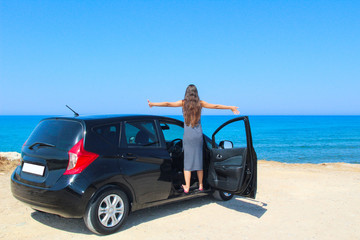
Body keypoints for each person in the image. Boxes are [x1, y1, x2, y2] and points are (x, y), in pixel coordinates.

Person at [148, 84, 239, 193]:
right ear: (196, 93)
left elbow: (168, 104)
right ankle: (200, 185)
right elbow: (216, 106)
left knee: (188, 162)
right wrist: (230, 108)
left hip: (188, 136)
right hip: (198, 135)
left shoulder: (183, 103)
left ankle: (186, 186)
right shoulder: (200, 104)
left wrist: (153, 104)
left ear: (186, 93)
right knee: (198, 160)